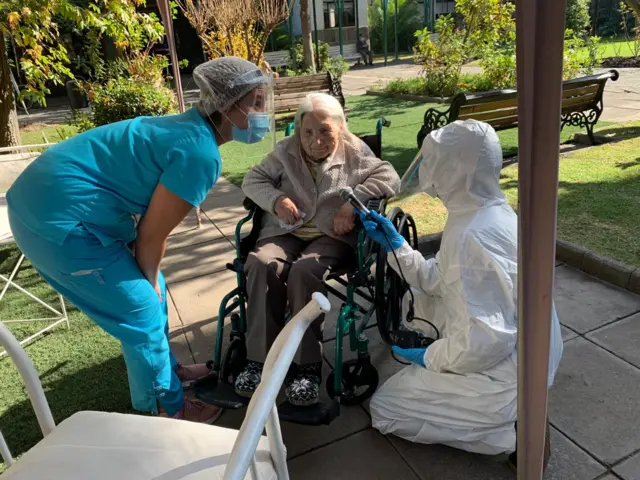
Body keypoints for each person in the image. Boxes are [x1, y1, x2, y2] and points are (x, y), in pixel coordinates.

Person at [6, 57, 273, 424]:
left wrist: (150, 281)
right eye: (256, 102)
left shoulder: (190, 128)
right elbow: (151, 235)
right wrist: (147, 286)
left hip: (55, 202)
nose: (263, 113)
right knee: (143, 309)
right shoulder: (199, 153)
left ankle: (168, 372)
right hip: (53, 220)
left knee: (154, 290)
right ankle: (168, 405)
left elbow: (147, 233)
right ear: (228, 106)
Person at [357, 120, 563, 466]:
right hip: (533, 354)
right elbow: (436, 278)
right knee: (422, 300)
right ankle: (516, 411)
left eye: (433, 161)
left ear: (453, 169)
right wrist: (397, 245)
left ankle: (515, 434)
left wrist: (433, 357)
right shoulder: (486, 211)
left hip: (504, 371)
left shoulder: (471, 235)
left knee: (386, 407)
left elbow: (487, 341)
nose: (427, 170)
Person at [239, 93, 400, 406]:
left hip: (331, 235)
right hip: (286, 230)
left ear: (340, 127)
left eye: (324, 130)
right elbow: (253, 179)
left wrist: (351, 205)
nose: (315, 140)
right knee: (260, 263)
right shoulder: (284, 151)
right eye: (308, 131)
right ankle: (260, 359)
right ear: (299, 130)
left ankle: (306, 366)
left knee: (305, 271)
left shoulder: (354, 150)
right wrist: (276, 200)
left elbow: (389, 176)